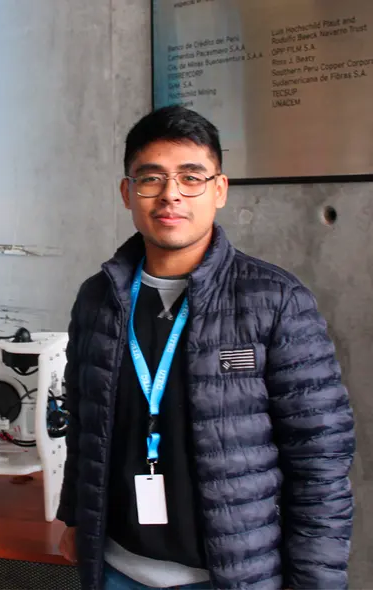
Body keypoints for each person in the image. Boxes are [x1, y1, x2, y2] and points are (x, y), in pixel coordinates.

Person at [55, 105, 356, 590]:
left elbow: (320, 462)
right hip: (115, 568)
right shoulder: (99, 297)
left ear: (219, 189)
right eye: (151, 178)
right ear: (127, 192)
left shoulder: (274, 300)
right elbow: (84, 424)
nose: (170, 193)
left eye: (190, 177)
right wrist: (74, 517)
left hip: (231, 577)